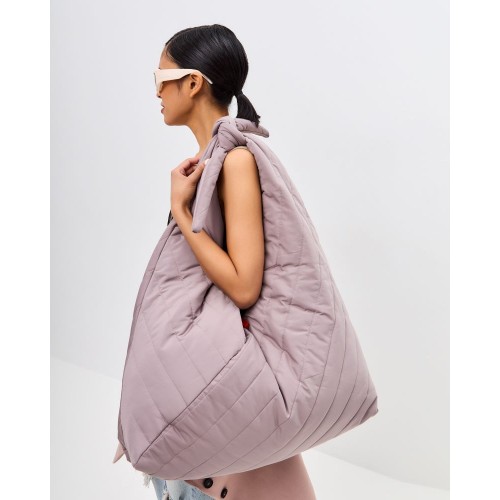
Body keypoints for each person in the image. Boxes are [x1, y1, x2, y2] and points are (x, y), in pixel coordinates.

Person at [114, 24, 317, 500]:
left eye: (161, 78)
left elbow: (244, 285)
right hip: (197, 420)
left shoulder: (236, 161)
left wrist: (181, 212)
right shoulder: (206, 162)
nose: (156, 92)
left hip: (220, 440)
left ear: (192, 83)